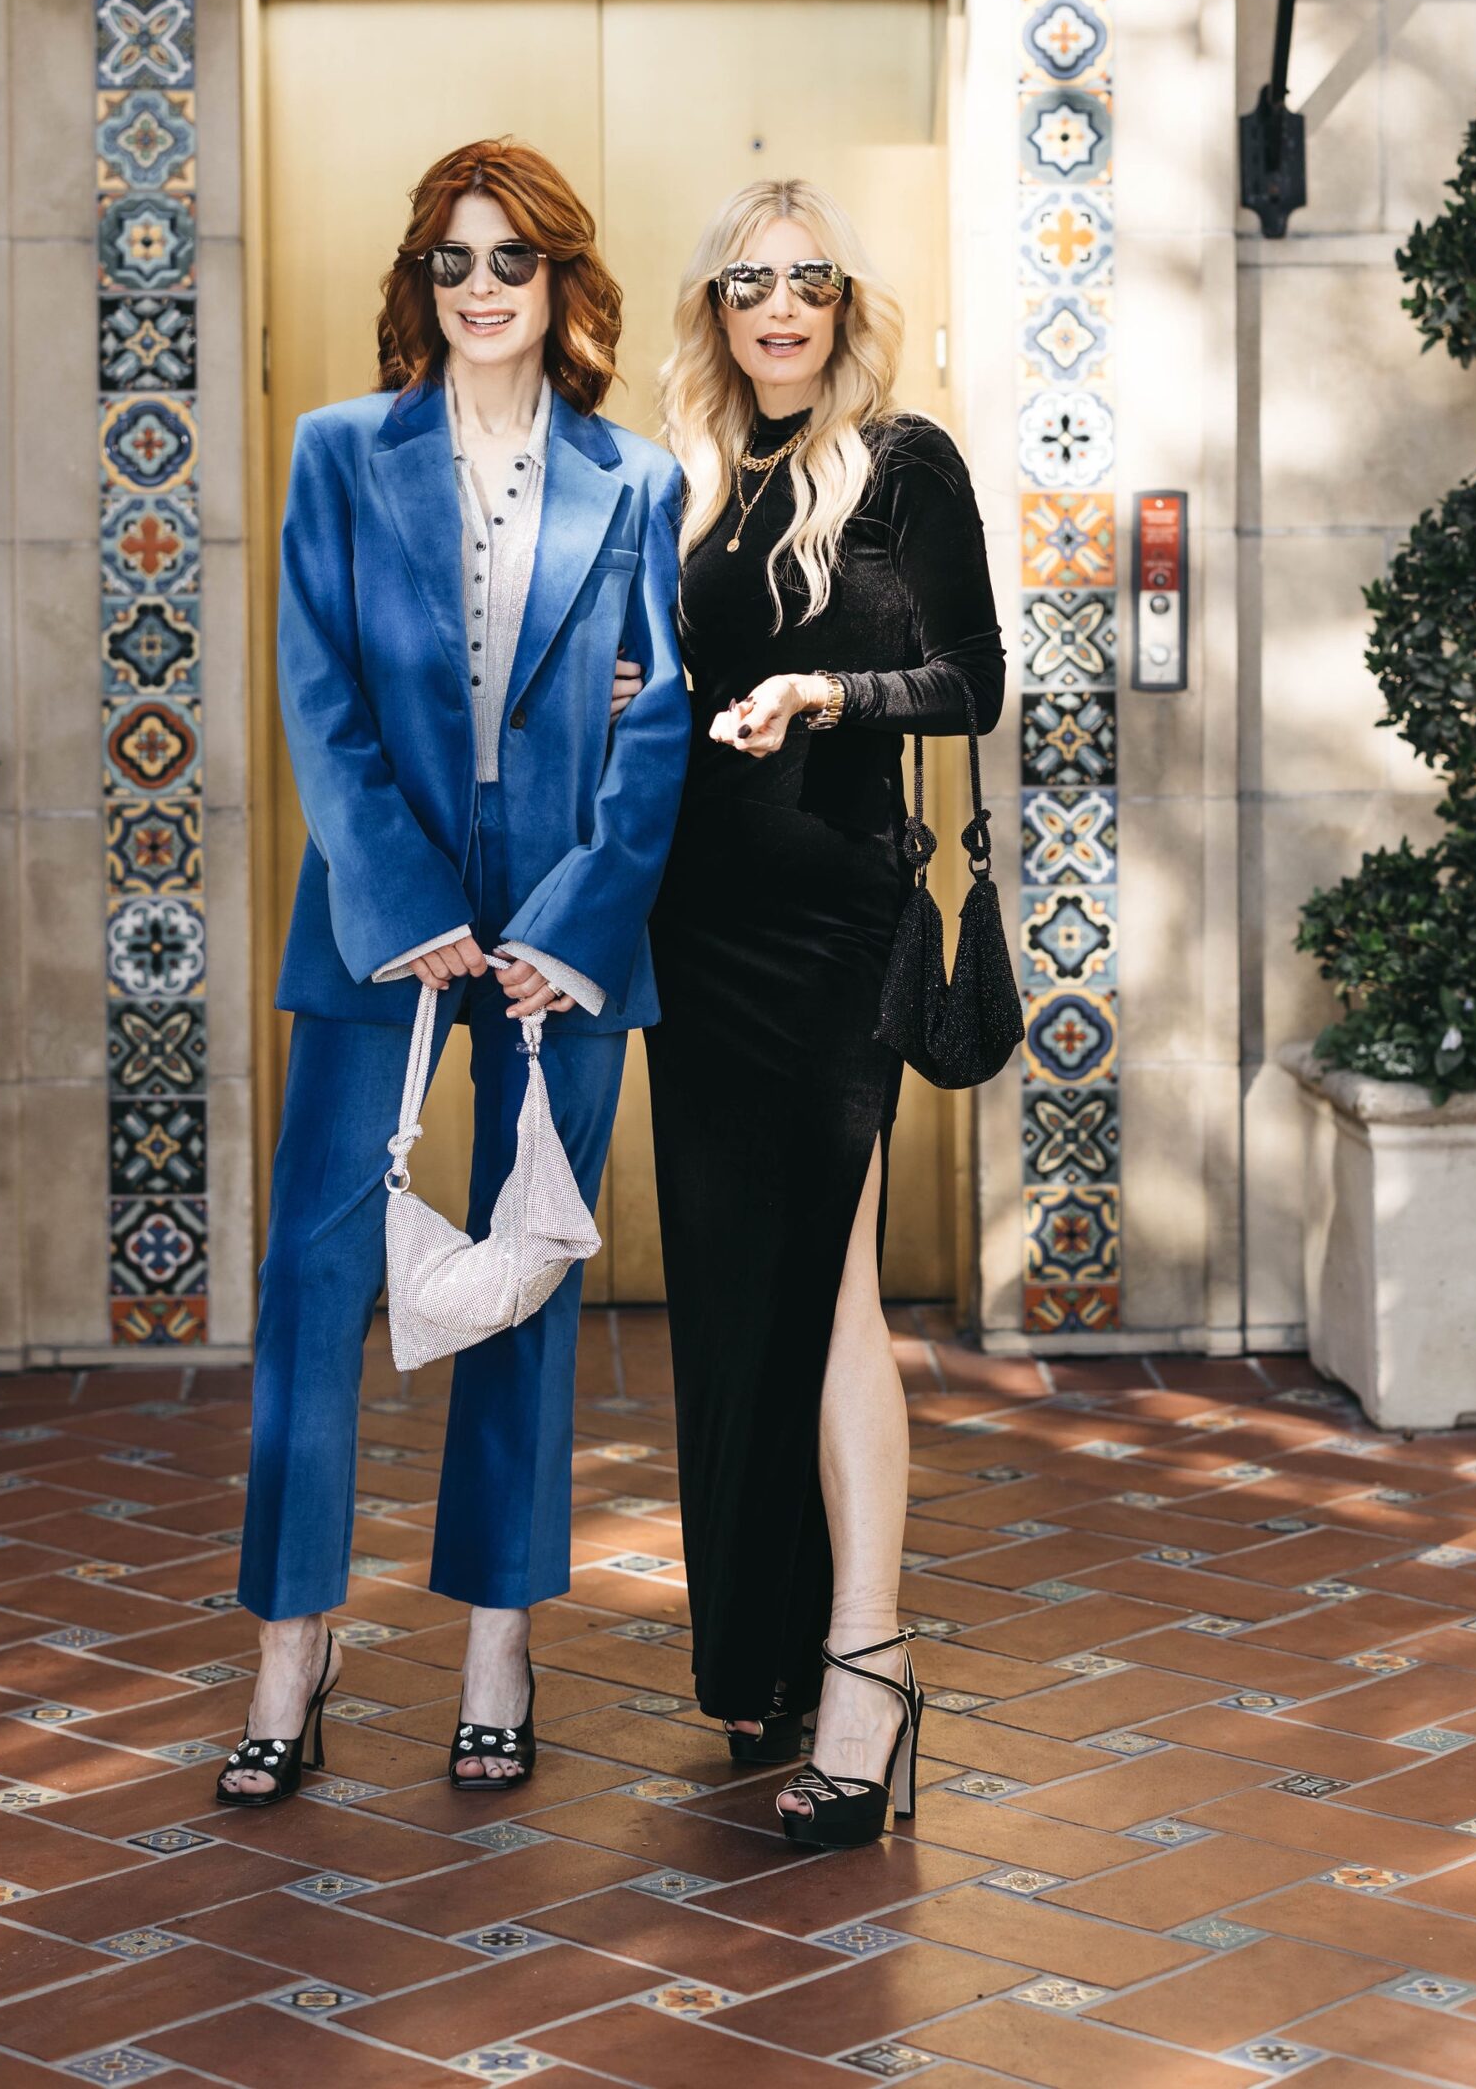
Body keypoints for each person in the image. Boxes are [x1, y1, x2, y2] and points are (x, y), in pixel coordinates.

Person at [224, 137, 688, 1806]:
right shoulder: (339, 455)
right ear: (419, 285)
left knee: (520, 1281)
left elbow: (657, 719)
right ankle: (293, 1647)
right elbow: (315, 686)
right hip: (382, 912)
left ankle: (499, 1643)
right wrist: (400, 892)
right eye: (452, 262)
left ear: (561, 280)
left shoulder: (633, 477)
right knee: (313, 1286)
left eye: (510, 260)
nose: (481, 288)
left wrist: (574, 927)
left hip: (564, 923)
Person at [647, 177, 1006, 1849]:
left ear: (843, 303)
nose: (778, 309)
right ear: (714, 310)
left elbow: (971, 682)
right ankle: (763, 1662)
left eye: (807, 281)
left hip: (833, 923)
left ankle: (867, 1669)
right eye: (746, 283)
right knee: (733, 1303)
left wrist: (823, 689)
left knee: (838, 1285)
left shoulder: (904, 460)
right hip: (694, 927)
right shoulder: (694, 488)